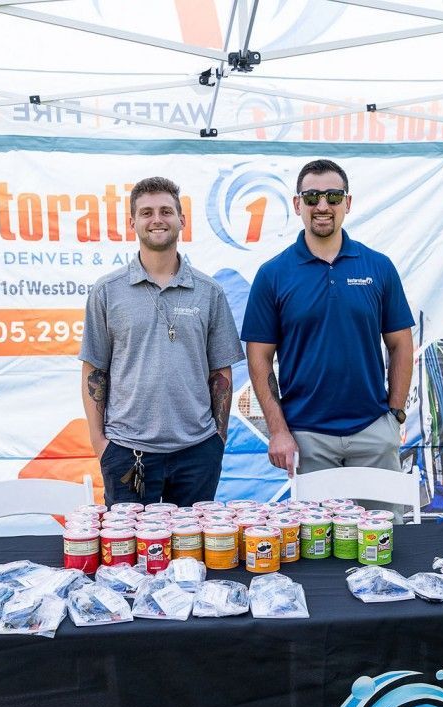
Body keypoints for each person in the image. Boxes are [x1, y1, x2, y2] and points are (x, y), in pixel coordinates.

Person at [241, 159, 415, 507]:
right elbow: (259, 359)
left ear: (347, 204)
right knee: (315, 550)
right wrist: (278, 430)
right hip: (307, 438)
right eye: (312, 197)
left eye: (334, 196)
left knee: (381, 544)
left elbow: (401, 345)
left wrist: (393, 417)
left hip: (372, 433)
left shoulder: (378, 267)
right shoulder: (273, 274)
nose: (323, 206)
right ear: (297, 204)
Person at [80, 176, 243, 505]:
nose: (157, 219)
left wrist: (217, 441)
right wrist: (102, 444)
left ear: (182, 220)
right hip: (128, 454)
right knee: (132, 553)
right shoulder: (107, 291)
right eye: (147, 212)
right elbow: (94, 371)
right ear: (132, 222)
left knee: (193, 555)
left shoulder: (209, 291)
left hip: (197, 454)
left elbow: (221, 373)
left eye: (166, 211)